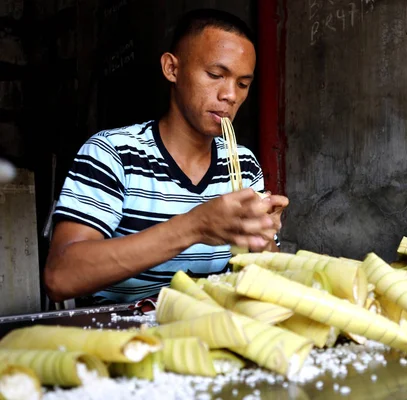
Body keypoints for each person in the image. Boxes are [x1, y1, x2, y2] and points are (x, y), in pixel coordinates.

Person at [44, 9, 288, 305]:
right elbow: (60, 277)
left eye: (242, 84)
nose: (230, 95)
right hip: (122, 341)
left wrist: (261, 241)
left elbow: (265, 275)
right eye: (215, 75)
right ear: (172, 68)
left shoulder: (243, 164)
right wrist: (194, 226)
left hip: (208, 333)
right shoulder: (112, 153)